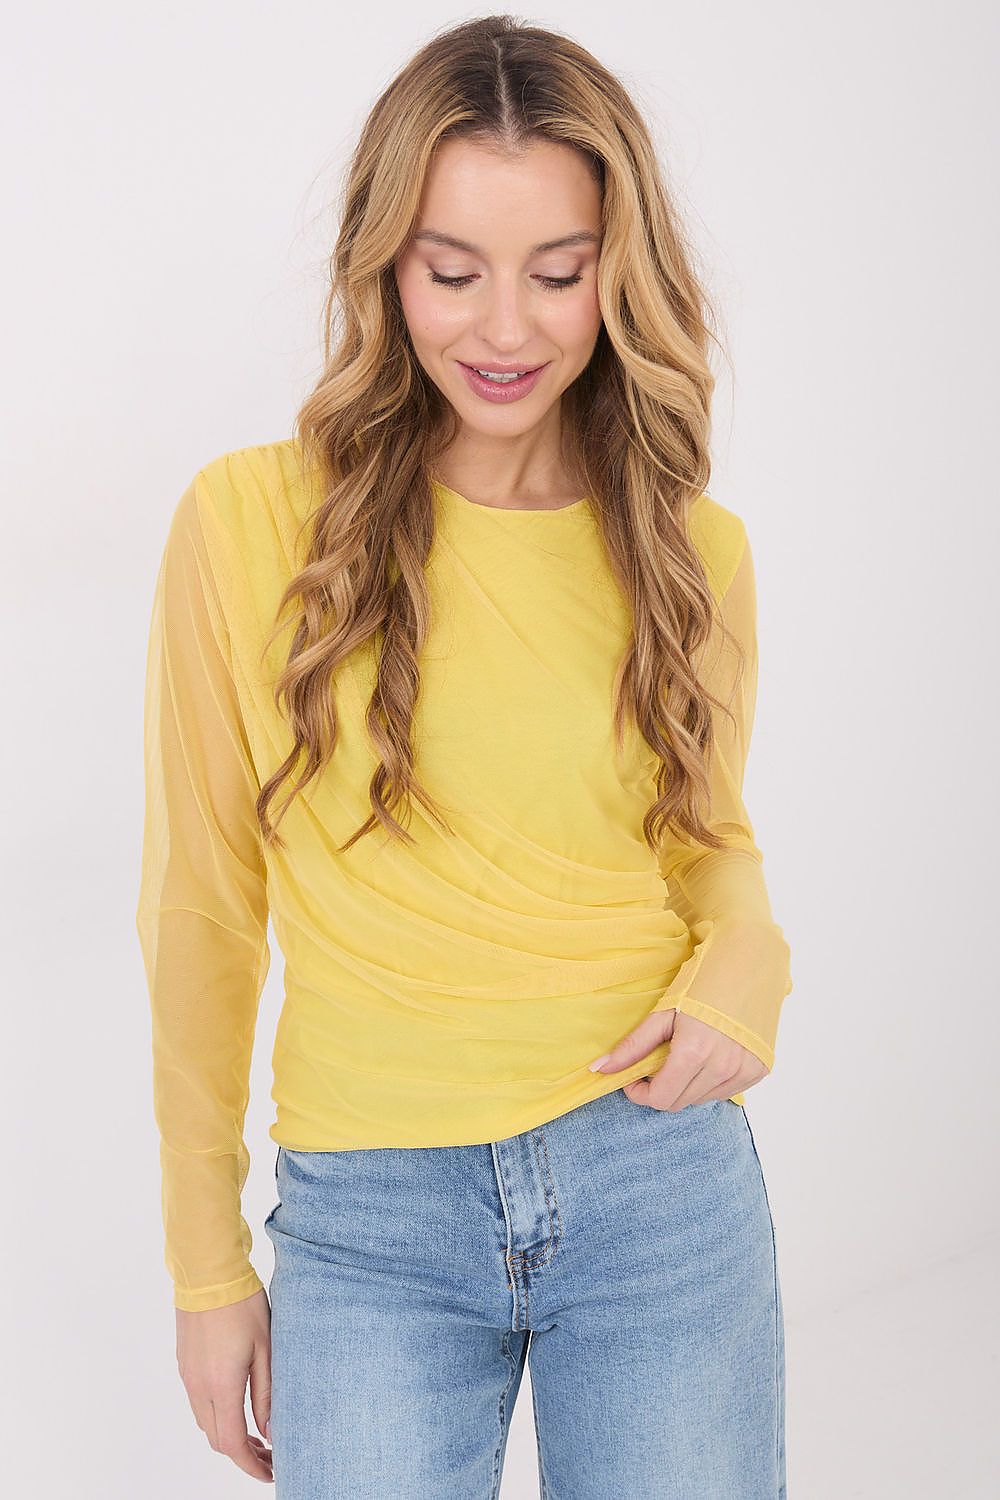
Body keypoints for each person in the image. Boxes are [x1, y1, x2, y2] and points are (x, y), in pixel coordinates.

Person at [135, 14, 793, 1497]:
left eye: (560, 274)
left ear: (619, 276)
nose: (507, 328)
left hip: (659, 1184)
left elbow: (707, 842)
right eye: (453, 270)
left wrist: (753, 960)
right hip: (370, 1223)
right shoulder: (246, 528)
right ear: (382, 264)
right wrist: (203, 1263)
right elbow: (200, 904)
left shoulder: (695, 553)